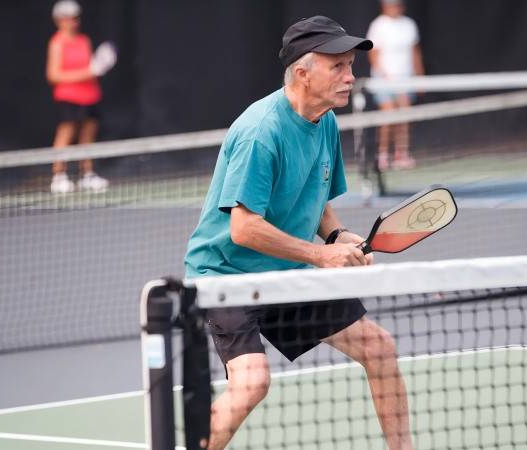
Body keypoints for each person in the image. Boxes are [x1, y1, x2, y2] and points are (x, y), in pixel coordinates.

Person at [184, 16, 414, 450]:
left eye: (350, 65)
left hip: (287, 270)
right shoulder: (261, 133)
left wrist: (336, 236)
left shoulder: (323, 119)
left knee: (379, 349)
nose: (350, 77)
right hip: (229, 276)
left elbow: (316, 191)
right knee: (251, 384)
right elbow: (244, 227)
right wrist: (321, 256)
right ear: (303, 73)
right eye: (338, 67)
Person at [46, 0, 114, 193]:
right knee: (66, 133)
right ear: (58, 20)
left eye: (75, 18)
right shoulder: (57, 43)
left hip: (90, 95)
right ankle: (58, 176)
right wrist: (89, 71)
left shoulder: (84, 41)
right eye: (67, 18)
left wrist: (97, 68)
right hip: (68, 97)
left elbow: (92, 68)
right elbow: (53, 75)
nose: (72, 22)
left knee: (88, 135)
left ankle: (87, 174)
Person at [366, 0, 425, 171]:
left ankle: (402, 153)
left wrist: (420, 78)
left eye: (398, 4)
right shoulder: (378, 25)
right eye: (391, 5)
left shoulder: (409, 25)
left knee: (405, 115)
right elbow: (373, 55)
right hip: (383, 80)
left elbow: (415, 53)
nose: (395, 8)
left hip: (405, 79)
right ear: (384, 7)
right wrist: (387, 78)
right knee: (389, 114)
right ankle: (383, 154)